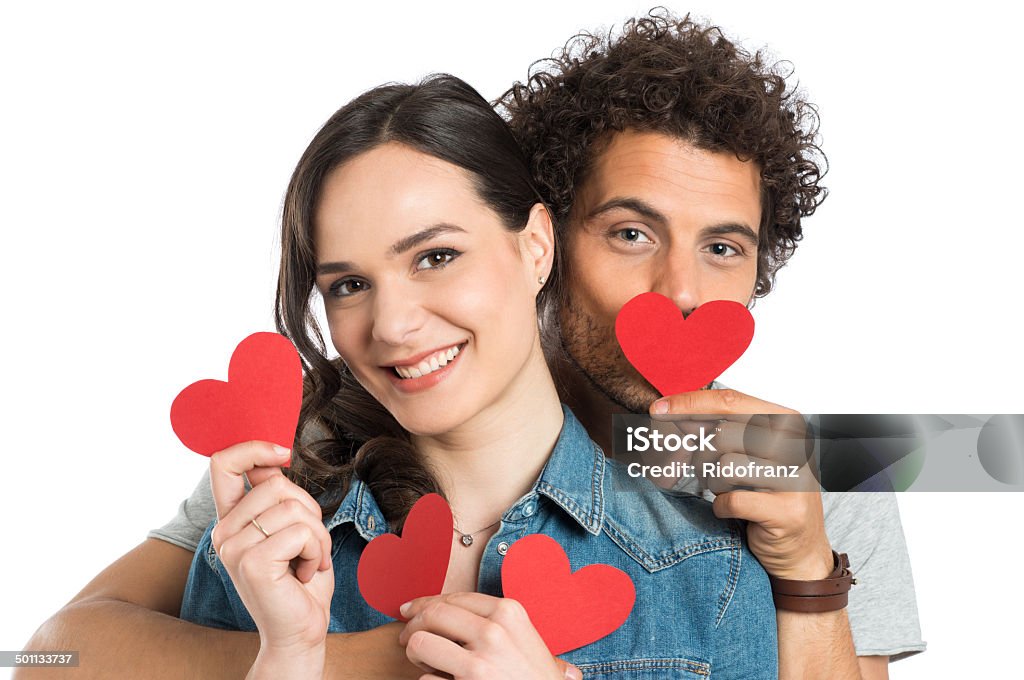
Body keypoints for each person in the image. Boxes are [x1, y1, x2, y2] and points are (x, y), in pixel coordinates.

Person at [19, 11, 922, 680]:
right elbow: (58, 650)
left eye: (724, 247)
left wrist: (808, 574)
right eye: (630, 234)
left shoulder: (806, 474)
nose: (678, 295)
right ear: (548, 240)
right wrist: (335, 657)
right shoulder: (303, 469)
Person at [178, 74, 779, 679]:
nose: (391, 326)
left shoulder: (719, 554)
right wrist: (291, 658)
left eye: (436, 257)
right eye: (350, 286)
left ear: (536, 247)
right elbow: (77, 638)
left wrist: (814, 574)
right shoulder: (263, 539)